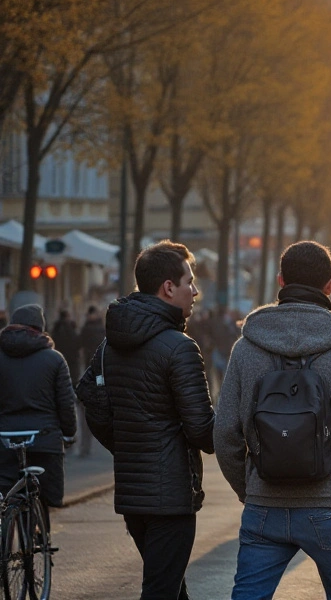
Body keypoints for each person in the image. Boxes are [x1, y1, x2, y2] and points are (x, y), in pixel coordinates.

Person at [214, 241, 331, 600]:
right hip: (330, 505)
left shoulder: (246, 349)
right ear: (330, 286)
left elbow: (224, 432)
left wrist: (248, 491)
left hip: (264, 505)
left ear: (280, 281)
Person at [84, 241, 214, 600]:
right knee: (161, 589)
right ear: (168, 288)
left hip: (133, 496)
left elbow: (91, 399)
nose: (195, 290)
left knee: (171, 587)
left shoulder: (112, 344)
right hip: (170, 498)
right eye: (190, 281)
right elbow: (203, 430)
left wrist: (127, 442)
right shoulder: (179, 347)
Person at [0, 305, 77, 509]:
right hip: (44, 438)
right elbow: (66, 402)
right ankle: (41, 534)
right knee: (43, 495)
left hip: (4, 438)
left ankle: (7, 529)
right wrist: (69, 433)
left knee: (5, 494)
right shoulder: (54, 359)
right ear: (40, 328)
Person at [74, 305, 106, 458]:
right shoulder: (103, 329)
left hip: (89, 370)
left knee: (86, 405)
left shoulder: (87, 329)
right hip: (102, 372)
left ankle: (85, 443)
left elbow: (79, 348)